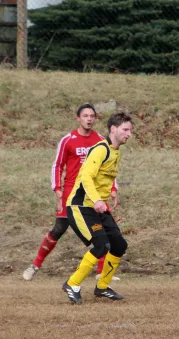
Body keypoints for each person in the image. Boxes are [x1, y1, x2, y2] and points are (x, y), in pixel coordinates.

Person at [22, 104, 119, 282]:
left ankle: (100, 273)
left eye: (92, 116)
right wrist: (57, 189)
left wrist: (113, 188)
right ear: (78, 118)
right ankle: (35, 265)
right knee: (59, 229)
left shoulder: (100, 141)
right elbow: (57, 165)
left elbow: (108, 166)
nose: (89, 119)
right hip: (71, 194)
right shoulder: (68, 140)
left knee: (104, 229)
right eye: (85, 116)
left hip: (93, 193)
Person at [62, 112, 133, 305]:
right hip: (80, 206)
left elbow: (106, 176)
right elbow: (86, 177)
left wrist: (112, 190)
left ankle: (102, 286)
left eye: (130, 130)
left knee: (119, 245)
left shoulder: (116, 151)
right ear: (113, 129)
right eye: (125, 129)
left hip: (97, 207)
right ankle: (72, 283)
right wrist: (96, 200)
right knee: (102, 245)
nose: (129, 134)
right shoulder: (100, 149)